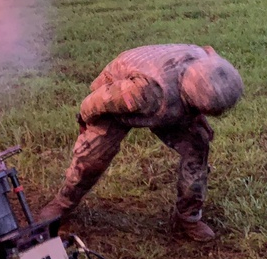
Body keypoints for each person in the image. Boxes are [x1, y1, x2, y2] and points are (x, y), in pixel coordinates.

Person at [39, 45, 244, 242]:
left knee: (198, 147)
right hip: (118, 92)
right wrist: (85, 121)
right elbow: (96, 102)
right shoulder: (144, 92)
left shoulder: (210, 64)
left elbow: (207, 67)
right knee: (91, 157)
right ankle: (62, 205)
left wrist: (196, 115)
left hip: (174, 95)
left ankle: (188, 217)